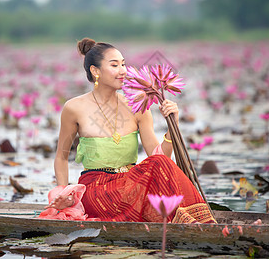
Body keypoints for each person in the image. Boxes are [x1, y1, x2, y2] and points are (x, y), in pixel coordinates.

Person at [47, 38, 216, 224]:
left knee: (159, 162)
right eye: (114, 65)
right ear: (95, 71)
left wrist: (171, 127)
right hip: (97, 191)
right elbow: (61, 157)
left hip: (130, 185)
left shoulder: (138, 106)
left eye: (123, 64)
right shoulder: (74, 108)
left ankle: (201, 222)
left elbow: (159, 158)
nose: (123, 71)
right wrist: (62, 194)